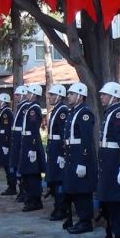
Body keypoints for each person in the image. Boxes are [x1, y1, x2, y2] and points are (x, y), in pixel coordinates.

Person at [96, 82, 120, 238]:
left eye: (104, 94)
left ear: (114, 96)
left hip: (114, 164)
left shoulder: (118, 113)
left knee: (117, 203)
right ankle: (112, 234)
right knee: (109, 202)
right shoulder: (110, 112)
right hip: (107, 163)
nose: (101, 96)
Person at [61, 82, 97, 234]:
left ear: (80, 96)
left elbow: (86, 139)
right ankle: (81, 220)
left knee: (82, 191)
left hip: (80, 157)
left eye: (71, 93)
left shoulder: (84, 113)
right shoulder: (74, 112)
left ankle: (86, 221)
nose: (68, 96)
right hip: (71, 155)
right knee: (75, 190)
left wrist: (82, 162)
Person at [17, 84, 46, 212]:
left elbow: (34, 129)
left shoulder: (34, 109)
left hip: (31, 143)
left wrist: (33, 148)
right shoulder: (30, 108)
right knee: (27, 173)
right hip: (27, 142)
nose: (27, 95)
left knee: (32, 174)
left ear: (34, 94)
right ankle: (31, 199)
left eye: (29, 93)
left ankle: (34, 200)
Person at [46, 84, 71, 223]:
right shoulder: (56, 110)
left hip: (58, 150)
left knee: (59, 180)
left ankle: (62, 208)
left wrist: (62, 154)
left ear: (59, 96)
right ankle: (58, 206)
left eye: (52, 95)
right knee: (54, 180)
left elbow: (63, 134)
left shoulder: (62, 111)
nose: (49, 97)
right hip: (53, 148)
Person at [9, 85, 30, 203]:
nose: (15, 97)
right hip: (17, 141)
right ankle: (21, 190)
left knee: (20, 167)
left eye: (17, 95)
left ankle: (23, 191)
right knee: (16, 165)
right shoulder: (20, 107)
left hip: (20, 141)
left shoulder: (25, 107)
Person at [0, 93, 16, 196]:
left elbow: (7, 130)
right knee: (5, 165)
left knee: (7, 165)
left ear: (3, 101)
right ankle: (11, 186)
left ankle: (12, 187)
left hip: (4, 142)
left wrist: (6, 144)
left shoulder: (6, 112)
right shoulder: (3, 111)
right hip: (1, 140)